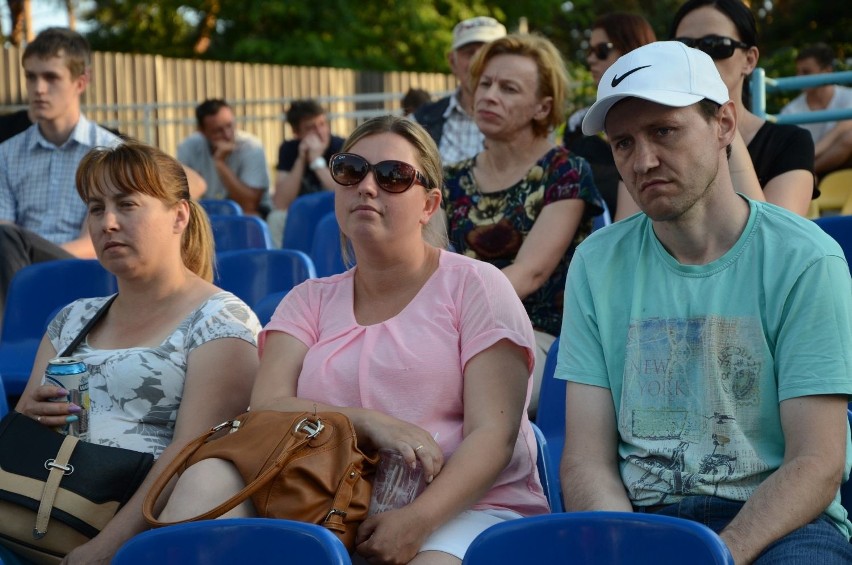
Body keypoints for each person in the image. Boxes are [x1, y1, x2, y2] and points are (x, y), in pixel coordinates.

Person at [156, 116, 549, 564]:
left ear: (429, 204)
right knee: (208, 477)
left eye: (393, 176)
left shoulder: (476, 286)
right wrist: (365, 421)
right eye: (350, 170)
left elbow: (494, 436)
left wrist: (418, 519)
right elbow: (268, 405)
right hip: (323, 497)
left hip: (461, 506)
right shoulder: (309, 299)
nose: (367, 186)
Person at [559, 40, 852, 564]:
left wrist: (718, 556)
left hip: (783, 524)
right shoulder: (596, 263)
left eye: (664, 131)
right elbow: (585, 460)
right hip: (643, 520)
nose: (643, 160)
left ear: (724, 125)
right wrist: (629, 547)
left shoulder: (805, 258)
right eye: (622, 143)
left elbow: (817, 461)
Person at [12, 141, 262, 564]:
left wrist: (105, 551)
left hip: (140, 539)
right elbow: (18, 435)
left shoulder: (222, 320)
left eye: (127, 205)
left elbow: (192, 459)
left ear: (179, 215)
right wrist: (29, 416)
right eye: (95, 208)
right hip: (33, 521)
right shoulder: (71, 319)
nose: (107, 223)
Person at [442, 33, 603, 417]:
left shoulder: (564, 172)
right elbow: (429, 263)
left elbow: (530, 273)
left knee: (446, 388)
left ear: (541, 107)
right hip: (451, 331)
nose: (489, 95)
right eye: (485, 83)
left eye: (509, 88)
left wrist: (444, 318)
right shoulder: (448, 179)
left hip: (536, 336)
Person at [615, 0, 816, 220]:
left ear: (749, 60)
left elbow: (773, 241)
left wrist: (718, 108)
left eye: (717, 45)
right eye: (686, 47)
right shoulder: (642, 147)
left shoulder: (790, 142)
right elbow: (626, 236)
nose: (699, 58)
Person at [0, 27, 122, 322]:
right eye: (31, 76)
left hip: (84, 274)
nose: (38, 88)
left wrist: (25, 262)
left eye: (51, 77)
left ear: (81, 81)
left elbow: (95, 242)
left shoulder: (111, 153)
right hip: (13, 272)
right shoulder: (6, 152)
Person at [563, 12, 656, 218]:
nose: (590, 59)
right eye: (590, 51)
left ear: (631, 49)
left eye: (602, 50)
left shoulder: (668, 111)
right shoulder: (578, 123)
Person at [413, 16, 507, 166]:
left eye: (489, 53)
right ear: (452, 61)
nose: (478, 62)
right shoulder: (421, 122)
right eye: (469, 53)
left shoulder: (528, 121)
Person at [267, 99, 345, 246]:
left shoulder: (341, 146)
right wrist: (301, 159)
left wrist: (316, 162)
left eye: (322, 124)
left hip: (334, 213)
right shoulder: (289, 149)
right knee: (275, 218)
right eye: (311, 128)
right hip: (301, 215)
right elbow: (280, 203)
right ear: (297, 133)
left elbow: (342, 192)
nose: (320, 132)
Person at [177, 98, 271, 217]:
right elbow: (182, 195)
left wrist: (220, 164)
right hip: (206, 212)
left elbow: (250, 204)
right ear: (202, 131)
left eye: (230, 126)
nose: (227, 135)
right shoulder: (188, 147)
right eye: (218, 131)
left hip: (244, 213)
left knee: (250, 216)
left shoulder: (252, 147)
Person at [780, 43, 852, 176]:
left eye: (806, 72)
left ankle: (810, 172)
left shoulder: (848, 96)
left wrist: (812, 155)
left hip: (818, 167)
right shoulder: (790, 111)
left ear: (827, 72)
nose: (799, 78)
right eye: (798, 72)